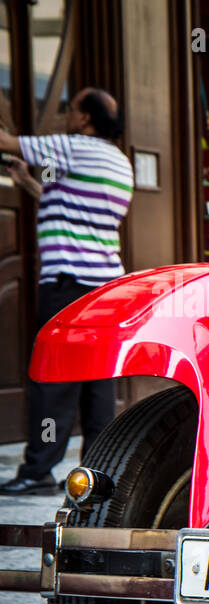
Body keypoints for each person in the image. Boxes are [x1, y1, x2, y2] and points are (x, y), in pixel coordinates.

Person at [0, 88, 133, 496]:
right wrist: (26, 182)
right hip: (107, 284)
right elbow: (70, 206)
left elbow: (7, 141)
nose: (64, 115)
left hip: (68, 281)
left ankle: (39, 470)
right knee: (98, 379)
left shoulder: (72, 147)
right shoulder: (119, 162)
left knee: (53, 376)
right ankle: (95, 471)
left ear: (85, 120)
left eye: (70, 109)